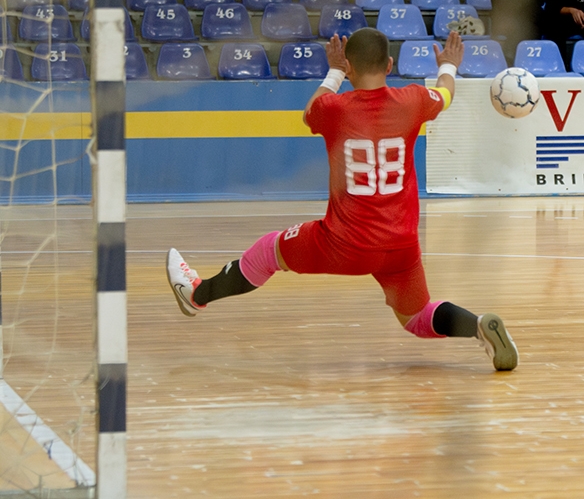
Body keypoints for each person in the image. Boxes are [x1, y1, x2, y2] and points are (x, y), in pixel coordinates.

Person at [166, 30, 519, 372]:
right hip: (401, 245)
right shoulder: (413, 101)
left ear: (350, 66)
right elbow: (446, 94)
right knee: (416, 316)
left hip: (343, 243)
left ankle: (197, 295)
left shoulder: (335, 109)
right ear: (390, 64)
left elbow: (310, 111)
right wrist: (448, 65)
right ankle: (477, 325)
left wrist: (334, 71)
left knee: (270, 250)